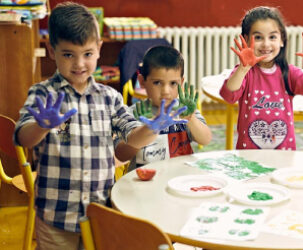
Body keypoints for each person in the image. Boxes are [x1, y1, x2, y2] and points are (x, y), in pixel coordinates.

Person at [13, 2, 186, 249]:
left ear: (98, 49)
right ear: (52, 51)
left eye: (87, 54)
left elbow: (131, 138)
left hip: (100, 214)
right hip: (56, 217)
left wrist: (152, 128)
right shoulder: (42, 95)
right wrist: (41, 125)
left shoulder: (110, 97)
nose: (79, 64)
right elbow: (23, 138)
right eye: (68, 54)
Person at [220, 6, 303, 150]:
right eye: (258, 37)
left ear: (282, 40)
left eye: (272, 37)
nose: (266, 44)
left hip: (284, 153)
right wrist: (242, 69)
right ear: (246, 40)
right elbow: (229, 95)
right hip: (249, 154)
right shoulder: (246, 73)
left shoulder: (289, 73)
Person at [114, 46, 212, 172]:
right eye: (157, 83)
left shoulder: (183, 110)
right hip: (145, 183)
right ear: (142, 81)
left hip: (180, 178)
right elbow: (121, 155)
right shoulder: (133, 114)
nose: (166, 91)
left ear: (181, 83)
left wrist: (191, 118)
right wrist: (144, 132)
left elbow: (205, 139)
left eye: (173, 83)